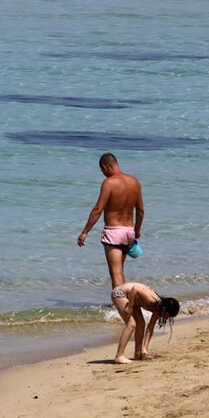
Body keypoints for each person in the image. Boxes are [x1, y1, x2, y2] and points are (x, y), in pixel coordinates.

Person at [77, 153, 144, 288]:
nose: (104, 174)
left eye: (102, 171)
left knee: (115, 272)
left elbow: (98, 210)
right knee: (119, 270)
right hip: (128, 232)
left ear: (106, 166)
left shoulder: (109, 183)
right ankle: (123, 300)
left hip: (114, 232)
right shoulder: (134, 181)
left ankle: (120, 304)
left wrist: (85, 232)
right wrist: (137, 230)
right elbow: (141, 210)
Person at [109, 282, 179, 364]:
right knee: (131, 324)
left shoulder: (158, 310)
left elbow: (150, 328)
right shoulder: (152, 300)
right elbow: (135, 289)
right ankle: (119, 355)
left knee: (141, 324)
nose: (167, 318)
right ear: (164, 309)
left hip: (132, 298)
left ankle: (138, 353)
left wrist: (145, 347)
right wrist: (130, 306)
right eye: (168, 315)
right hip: (120, 293)